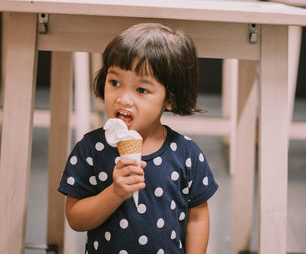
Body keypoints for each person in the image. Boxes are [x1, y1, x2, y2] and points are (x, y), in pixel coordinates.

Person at [58, 23, 218, 254]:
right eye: (115, 82)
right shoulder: (90, 149)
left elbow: (197, 218)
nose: (123, 98)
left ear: (170, 98)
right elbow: (75, 218)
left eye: (141, 90)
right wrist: (114, 193)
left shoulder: (187, 154)